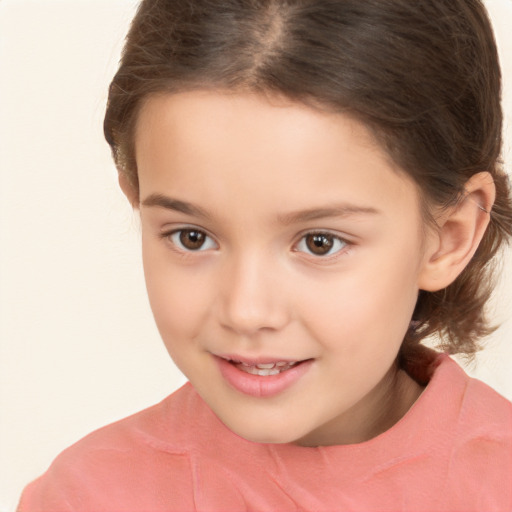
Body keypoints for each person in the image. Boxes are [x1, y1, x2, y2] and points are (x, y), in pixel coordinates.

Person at [17, 0, 512, 510]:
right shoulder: (88, 496)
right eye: (192, 237)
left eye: (320, 242)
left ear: (448, 237)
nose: (245, 310)